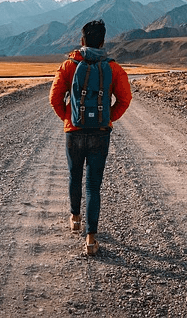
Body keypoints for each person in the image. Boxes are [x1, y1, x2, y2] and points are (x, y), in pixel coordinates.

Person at [49, 19, 132, 255]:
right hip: (100, 133)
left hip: (73, 132)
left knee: (74, 176)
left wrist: (70, 118)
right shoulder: (114, 68)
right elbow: (125, 99)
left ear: (82, 40)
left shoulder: (69, 66)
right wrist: (108, 118)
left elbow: (54, 98)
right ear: (103, 41)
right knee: (93, 185)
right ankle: (91, 239)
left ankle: (75, 218)